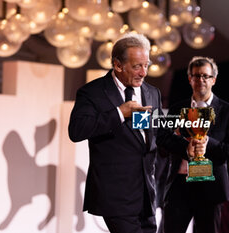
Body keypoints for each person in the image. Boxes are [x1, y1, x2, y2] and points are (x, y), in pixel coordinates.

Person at [68, 33, 163, 233]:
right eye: (137, 66)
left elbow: (147, 138)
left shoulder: (152, 93)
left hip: (146, 194)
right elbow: (76, 131)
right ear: (118, 65)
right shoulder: (92, 92)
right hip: (115, 195)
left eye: (147, 65)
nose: (143, 72)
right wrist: (120, 113)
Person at [156, 56, 229, 233]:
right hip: (179, 184)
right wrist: (184, 146)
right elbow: (163, 138)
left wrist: (208, 143)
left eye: (205, 76)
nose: (200, 80)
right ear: (189, 79)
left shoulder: (228, 111)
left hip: (210, 186)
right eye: (196, 76)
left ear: (214, 80)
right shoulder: (177, 110)